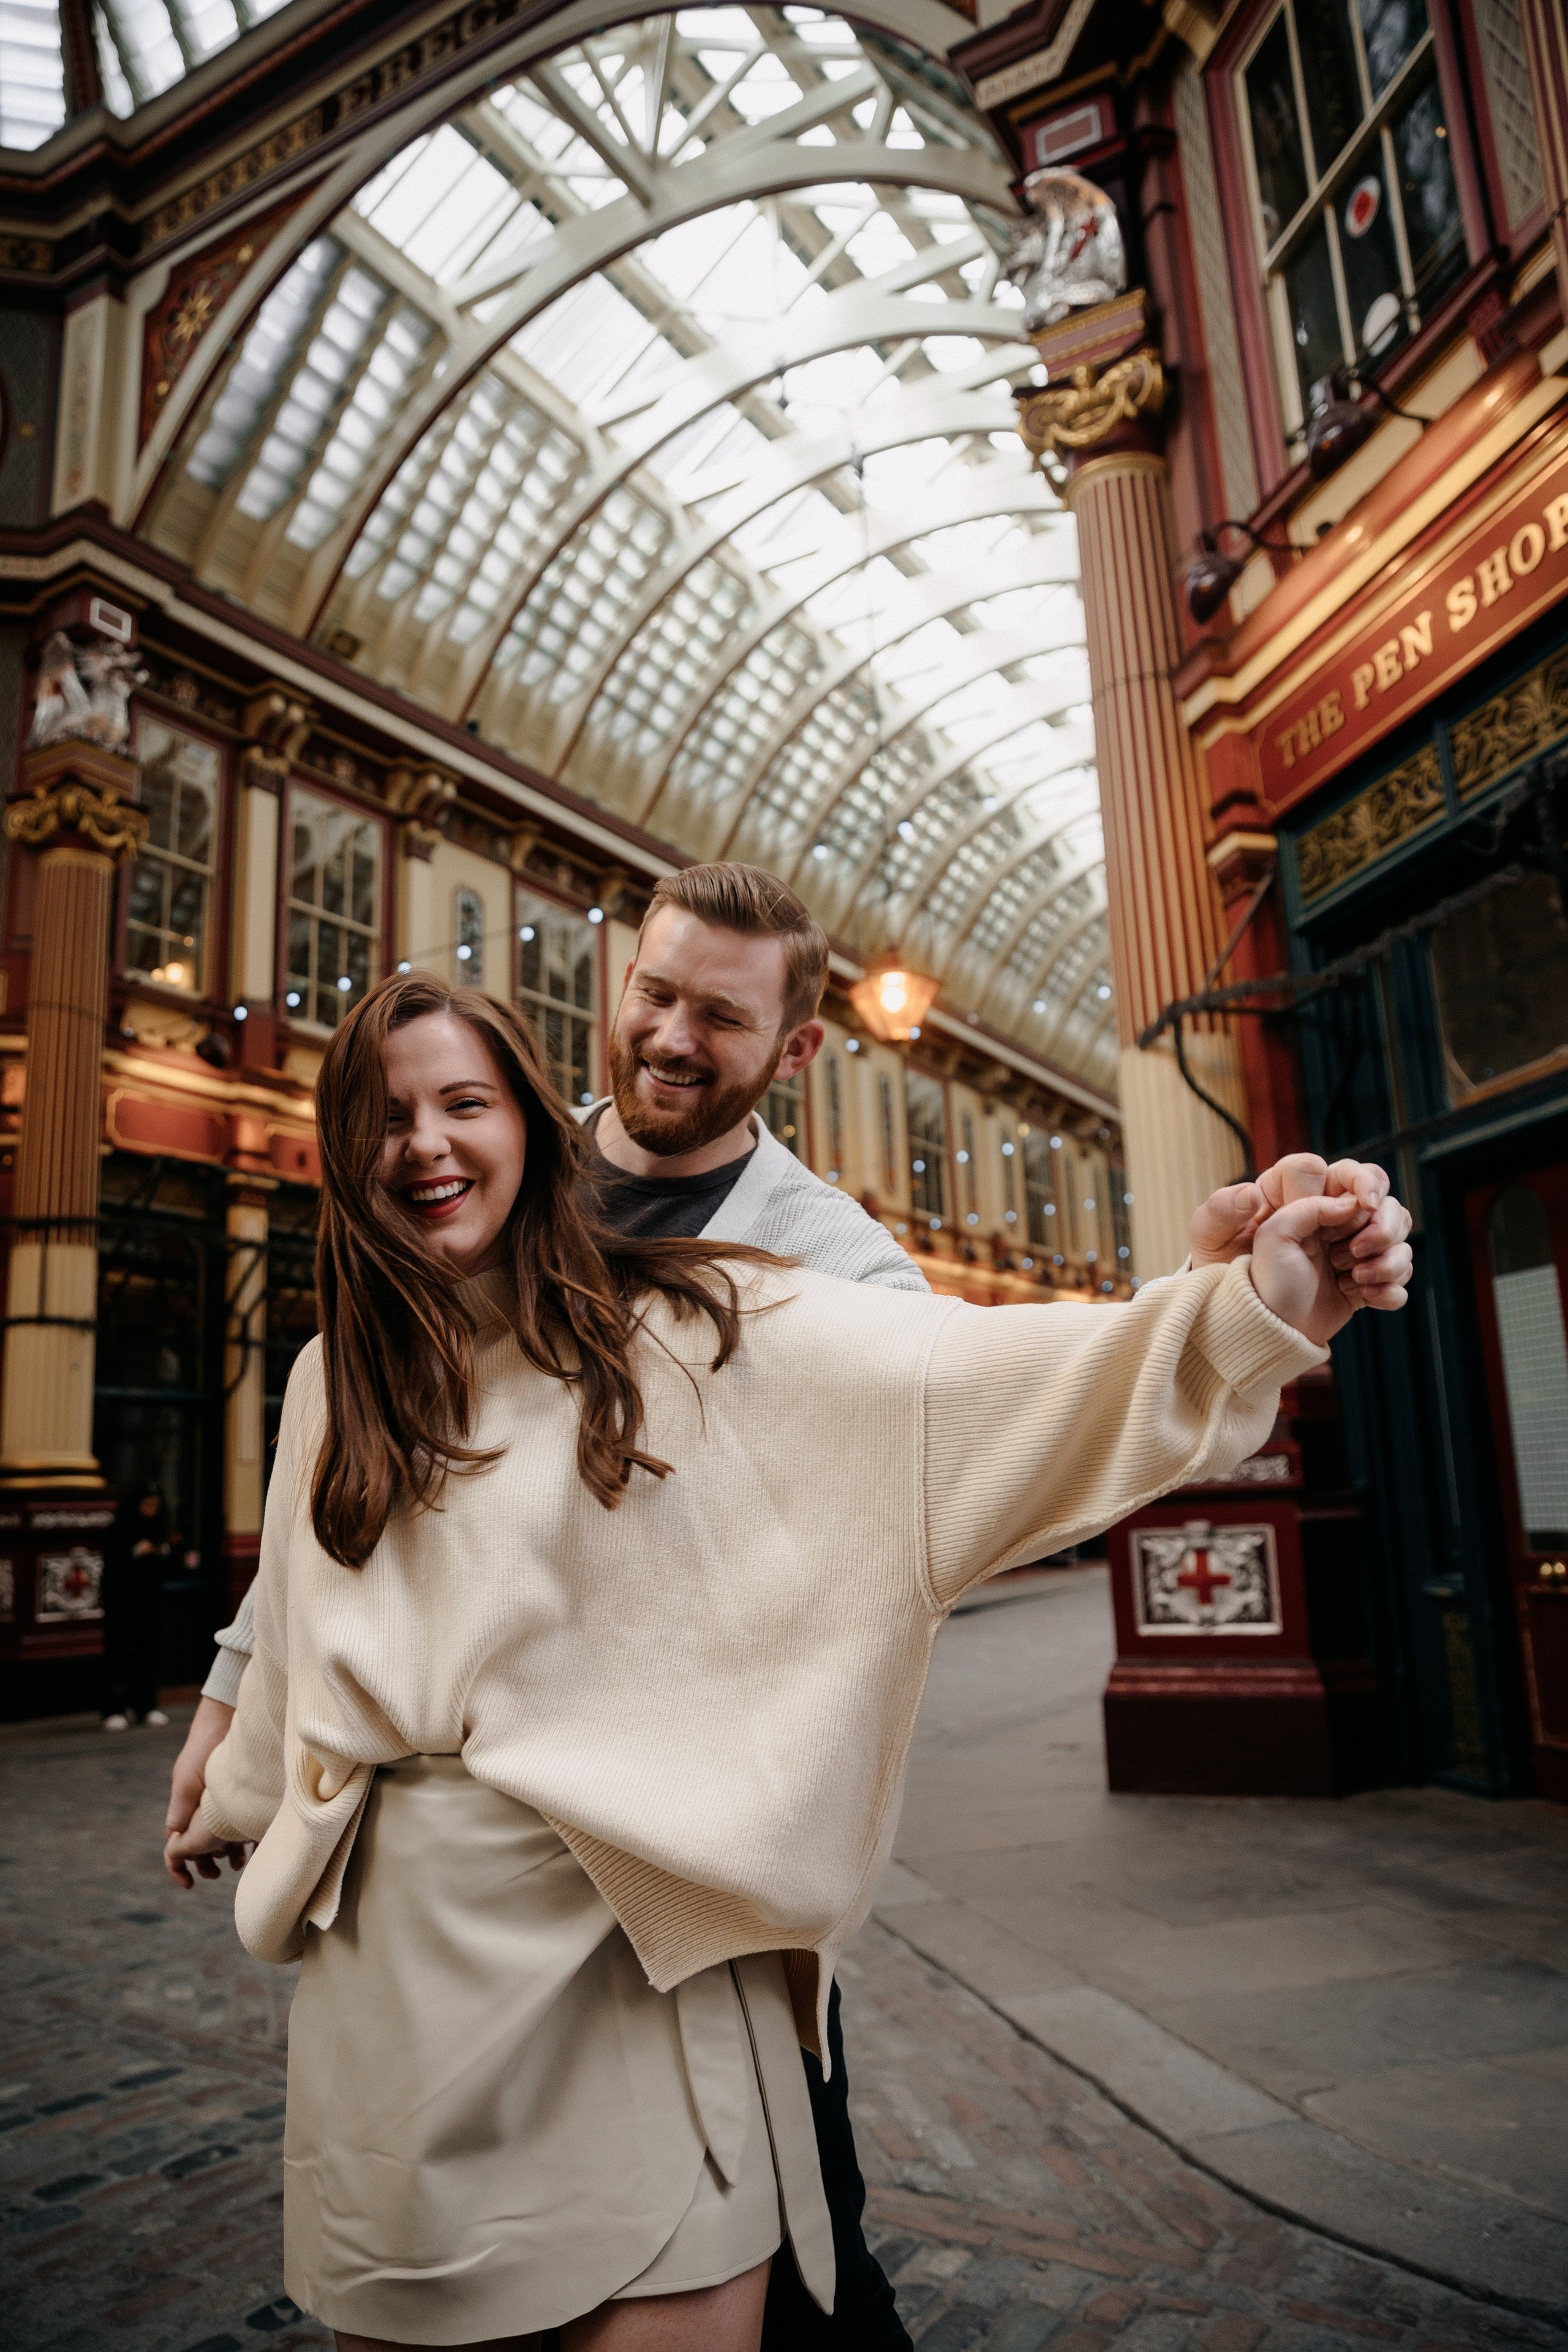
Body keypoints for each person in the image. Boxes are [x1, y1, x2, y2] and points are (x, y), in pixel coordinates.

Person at [164, 954, 1412, 2352]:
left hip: (625, 1969)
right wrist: (235, 1787)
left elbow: (966, 1386)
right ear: (344, 1152)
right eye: (387, 1117)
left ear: (530, 1123)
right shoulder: (327, 1378)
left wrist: (1240, 1305)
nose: (426, 1146)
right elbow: (303, 1617)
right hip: (386, 2008)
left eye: (465, 1103)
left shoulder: (689, 1321)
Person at [101, 1480, 174, 1731]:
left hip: (150, 1601)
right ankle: (114, 1709)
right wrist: (136, 1552)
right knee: (117, 1655)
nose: (152, 1510)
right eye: (148, 1505)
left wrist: (163, 1552)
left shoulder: (160, 1527)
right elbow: (112, 1563)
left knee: (148, 1653)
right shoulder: (120, 1528)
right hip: (121, 1601)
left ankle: (147, 1706)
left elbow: (171, 1565)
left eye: (156, 1506)